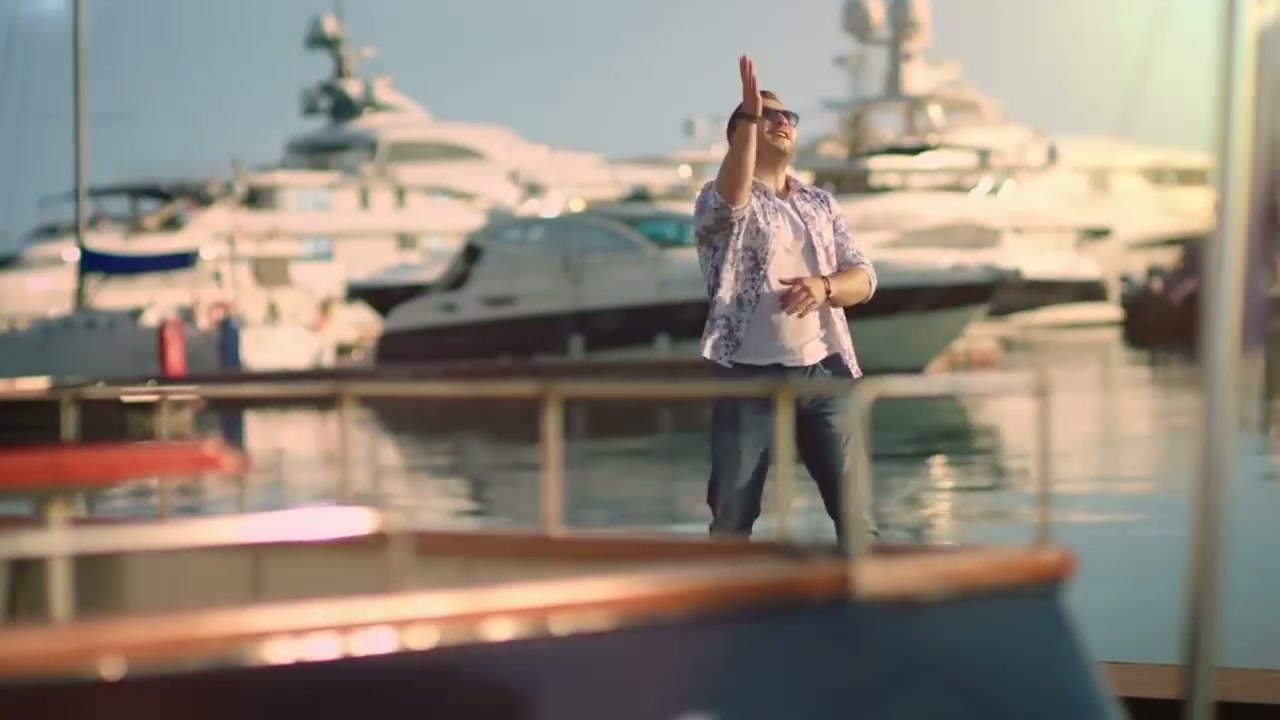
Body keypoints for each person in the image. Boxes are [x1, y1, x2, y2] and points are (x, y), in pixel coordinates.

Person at [694, 56, 878, 540]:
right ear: (739, 135)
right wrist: (749, 116)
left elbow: (864, 277)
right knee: (732, 520)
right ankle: (727, 591)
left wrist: (825, 287)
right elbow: (731, 199)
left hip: (824, 374)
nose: (782, 122)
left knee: (856, 518)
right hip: (746, 379)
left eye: (787, 116)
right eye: (766, 116)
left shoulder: (820, 203)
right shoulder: (717, 200)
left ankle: (864, 587)